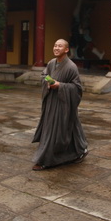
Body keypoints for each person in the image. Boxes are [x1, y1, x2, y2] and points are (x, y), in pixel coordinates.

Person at [31, 39, 89, 170]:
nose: (56, 48)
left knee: (56, 130)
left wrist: (60, 86)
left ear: (66, 50)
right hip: (52, 101)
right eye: (55, 45)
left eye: (60, 46)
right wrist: (47, 81)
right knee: (70, 128)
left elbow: (77, 88)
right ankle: (79, 151)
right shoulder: (52, 63)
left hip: (64, 103)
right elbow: (44, 74)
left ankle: (46, 160)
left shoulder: (71, 67)